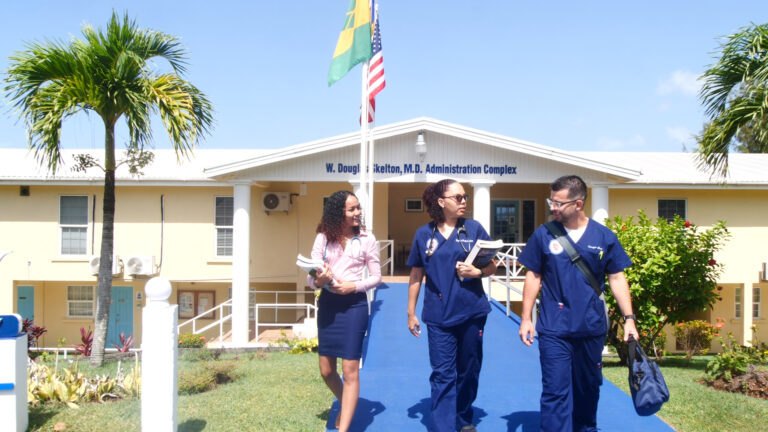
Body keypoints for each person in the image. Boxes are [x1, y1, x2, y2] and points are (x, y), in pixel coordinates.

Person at [517, 175, 639, 432]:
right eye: (552, 201)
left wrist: (629, 319)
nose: (553, 207)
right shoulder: (543, 235)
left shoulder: (603, 236)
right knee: (555, 390)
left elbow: (617, 278)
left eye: (559, 203)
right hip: (554, 329)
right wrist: (526, 318)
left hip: (590, 327)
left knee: (588, 388)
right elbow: (533, 275)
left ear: (579, 203)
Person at [406, 179, 498, 432]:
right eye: (457, 197)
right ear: (441, 201)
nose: (464, 201)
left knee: (469, 370)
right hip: (439, 315)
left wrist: (477, 272)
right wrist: (410, 312)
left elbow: (493, 265)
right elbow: (416, 275)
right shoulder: (425, 234)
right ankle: (443, 426)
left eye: (465, 197)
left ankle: (463, 417)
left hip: (472, 311)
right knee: (443, 373)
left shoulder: (473, 229)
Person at [308, 190, 381, 431]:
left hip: (355, 306)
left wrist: (355, 286)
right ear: (338, 212)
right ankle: (346, 403)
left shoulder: (368, 239)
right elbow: (312, 277)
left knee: (350, 371)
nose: (358, 212)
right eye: (352, 209)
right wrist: (320, 281)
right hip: (329, 306)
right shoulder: (323, 238)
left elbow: (377, 277)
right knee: (326, 370)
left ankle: (344, 427)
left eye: (358, 208)